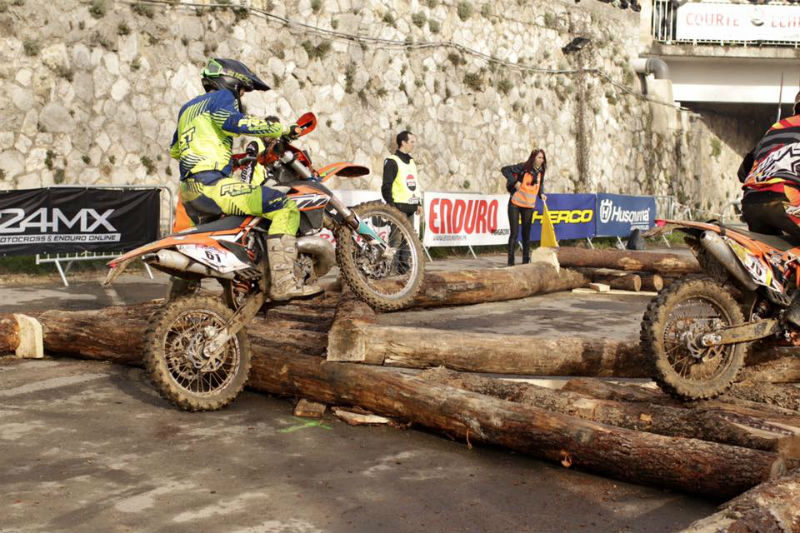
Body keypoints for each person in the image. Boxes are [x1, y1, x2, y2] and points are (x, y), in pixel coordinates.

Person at [169, 58, 321, 301]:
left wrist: (228, 159)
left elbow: (176, 150)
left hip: (189, 190)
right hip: (211, 186)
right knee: (285, 207)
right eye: (242, 90)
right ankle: (283, 282)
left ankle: (178, 302)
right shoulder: (222, 98)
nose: (240, 97)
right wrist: (281, 130)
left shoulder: (187, 108)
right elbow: (234, 122)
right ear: (231, 83)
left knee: (197, 244)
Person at [739, 90, 800, 325]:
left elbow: (743, 171)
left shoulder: (775, 128)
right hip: (785, 200)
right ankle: (797, 314)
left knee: (776, 256)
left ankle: (769, 306)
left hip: (751, 201)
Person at [501, 149, 548, 266]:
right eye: (539, 157)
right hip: (515, 204)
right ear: (533, 158)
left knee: (526, 234)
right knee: (514, 233)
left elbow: (540, 183)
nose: (541, 160)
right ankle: (510, 262)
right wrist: (514, 181)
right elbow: (504, 170)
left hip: (528, 205)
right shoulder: (524, 167)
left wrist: (541, 193)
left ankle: (526, 261)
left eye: (542, 158)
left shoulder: (541, 171)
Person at [381, 131, 422, 221]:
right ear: (403, 143)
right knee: (397, 236)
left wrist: (418, 203)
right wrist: (392, 207)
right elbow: (386, 186)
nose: (413, 145)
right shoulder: (392, 161)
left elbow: (415, 185)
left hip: (411, 209)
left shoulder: (411, 162)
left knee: (410, 235)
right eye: (411, 142)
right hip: (398, 209)